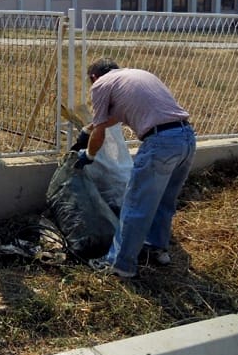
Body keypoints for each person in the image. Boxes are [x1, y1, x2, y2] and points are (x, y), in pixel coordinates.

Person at [76, 58, 196, 278]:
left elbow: (101, 130)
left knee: (135, 205)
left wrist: (89, 154)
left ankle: (119, 265)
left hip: (160, 144)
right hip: (186, 139)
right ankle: (156, 248)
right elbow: (115, 117)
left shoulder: (101, 85)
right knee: (163, 201)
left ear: (93, 77)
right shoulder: (138, 75)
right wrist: (88, 128)